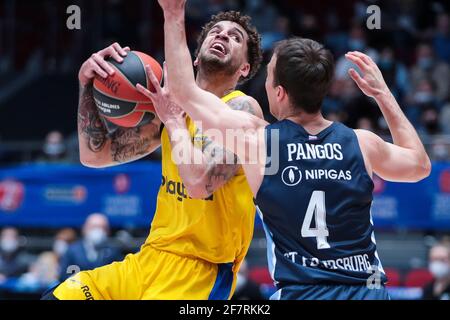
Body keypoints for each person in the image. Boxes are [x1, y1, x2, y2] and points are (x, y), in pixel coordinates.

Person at [141, 0, 432, 300]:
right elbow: (420, 166)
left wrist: (173, 13)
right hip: (366, 292)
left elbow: (184, 91)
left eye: (268, 77)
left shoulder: (258, 141)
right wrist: (383, 94)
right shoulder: (362, 143)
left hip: (301, 292)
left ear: (278, 92)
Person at [43, 10, 263, 299]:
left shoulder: (241, 111)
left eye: (235, 37)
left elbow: (198, 184)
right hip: (150, 259)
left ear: (244, 69)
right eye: (216, 31)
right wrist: (86, 83)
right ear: (193, 59)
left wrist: (172, 121)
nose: (223, 35)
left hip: (199, 273)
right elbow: (94, 156)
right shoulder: (167, 109)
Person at [58, 213, 122, 281]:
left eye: (102, 227)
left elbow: (118, 276)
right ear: (84, 228)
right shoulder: (73, 250)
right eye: (94, 227)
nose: (98, 231)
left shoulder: (113, 252)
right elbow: (64, 276)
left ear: (108, 231)